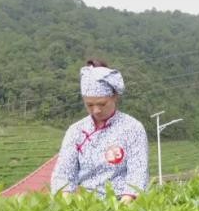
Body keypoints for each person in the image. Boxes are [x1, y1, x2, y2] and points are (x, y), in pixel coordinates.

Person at [50, 59, 149, 202]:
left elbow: (138, 174)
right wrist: (67, 202)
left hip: (121, 204)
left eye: (102, 104)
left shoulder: (132, 128)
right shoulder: (76, 131)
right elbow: (63, 174)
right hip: (85, 205)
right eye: (89, 105)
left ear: (114, 96)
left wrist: (123, 207)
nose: (96, 110)